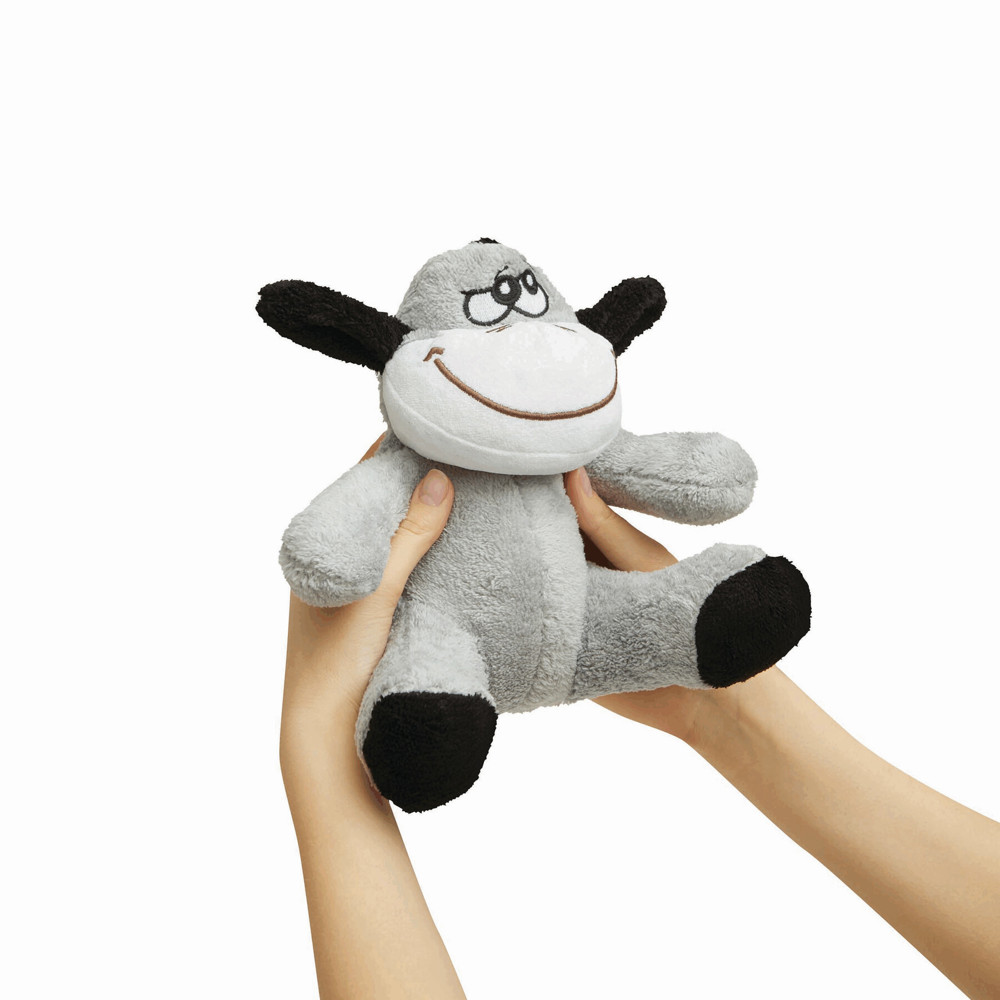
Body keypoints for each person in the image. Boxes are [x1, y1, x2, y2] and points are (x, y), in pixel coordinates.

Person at [279, 438, 1000, 1000]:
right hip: (459, 628)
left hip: (566, 617)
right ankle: (431, 713)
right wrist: (721, 711)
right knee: (431, 704)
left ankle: (684, 630)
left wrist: (325, 751)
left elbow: (701, 473)